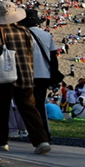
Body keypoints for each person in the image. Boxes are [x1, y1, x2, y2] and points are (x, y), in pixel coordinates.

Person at [0, 2, 50, 154]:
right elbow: (29, 53)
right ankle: (41, 140)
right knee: (29, 108)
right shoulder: (25, 31)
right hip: (25, 74)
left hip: (5, 76)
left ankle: (0, 142)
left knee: (2, 109)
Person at [21, 9, 59, 140]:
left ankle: (36, 133)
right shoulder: (46, 35)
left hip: (27, 73)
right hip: (43, 74)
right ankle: (44, 132)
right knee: (40, 104)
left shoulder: (22, 35)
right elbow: (53, 57)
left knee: (28, 105)